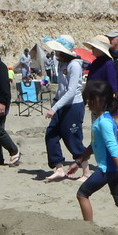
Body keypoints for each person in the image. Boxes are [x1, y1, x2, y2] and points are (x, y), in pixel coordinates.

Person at [65, 79, 118, 235]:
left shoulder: (104, 123)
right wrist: (78, 162)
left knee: (82, 194)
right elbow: (94, 145)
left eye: (92, 99)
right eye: (88, 98)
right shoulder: (103, 120)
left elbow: (114, 150)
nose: (89, 102)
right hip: (114, 168)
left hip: (109, 169)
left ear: (102, 101)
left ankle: (89, 234)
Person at [42, 35, 87, 182]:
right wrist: (56, 103)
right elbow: (61, 88)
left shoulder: (74, 65)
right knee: (51, 134)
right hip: (61, 104)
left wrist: (54, 108)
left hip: (73, 106)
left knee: (73, 139)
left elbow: (71, 91)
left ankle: (86, 172)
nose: (55, 53)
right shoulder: (61, 64)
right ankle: (59, 168)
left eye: (58, 51)